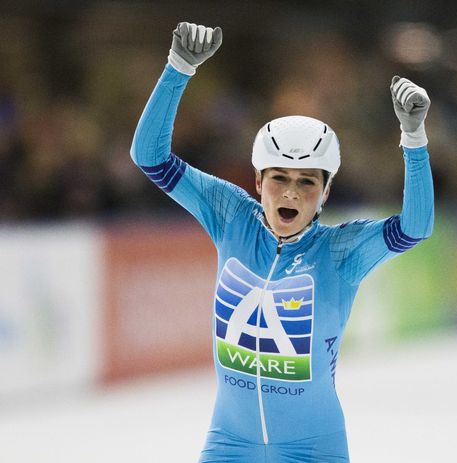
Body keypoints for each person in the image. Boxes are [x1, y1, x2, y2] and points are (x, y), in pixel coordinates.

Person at [130, 22, 434, 462]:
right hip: (229, 443)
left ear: (326, 192)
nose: (291, 192)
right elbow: (149, 157)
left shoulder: (340, 252)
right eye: (279, 178)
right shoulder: (232, 216)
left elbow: (416, 226)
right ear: (257, 180)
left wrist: (414, 140)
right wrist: (178, 68)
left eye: (307, 182)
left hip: (312, 449)